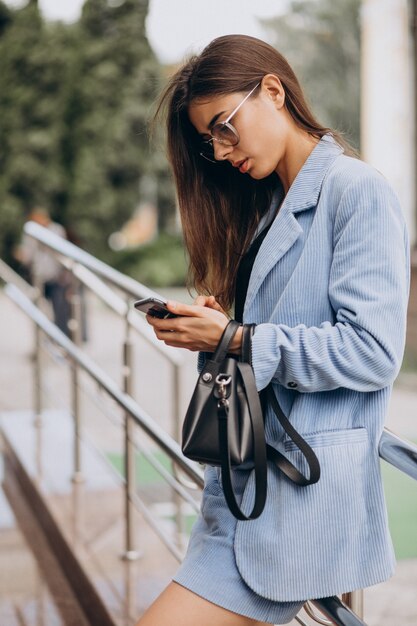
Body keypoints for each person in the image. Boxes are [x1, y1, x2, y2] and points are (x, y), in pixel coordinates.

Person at [136, 35, 410, 626]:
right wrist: (217, 329)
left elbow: (373, 351)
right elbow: (275, 334)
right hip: (240, 494)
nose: (219, 147)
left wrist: (233, 338)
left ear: (273, 90)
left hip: (294, 500)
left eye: (224, 126)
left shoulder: (356, 191)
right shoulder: (268, 205)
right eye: (209, 139)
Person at [15, 207, 71, 337]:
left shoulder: (56, 229)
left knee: (60, 310)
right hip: (38, 276)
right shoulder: (31, 231)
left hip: (56, 277)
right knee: (39, 310)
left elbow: (61, 251)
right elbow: (28, 255)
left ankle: (60, 338)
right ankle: (42, 340)